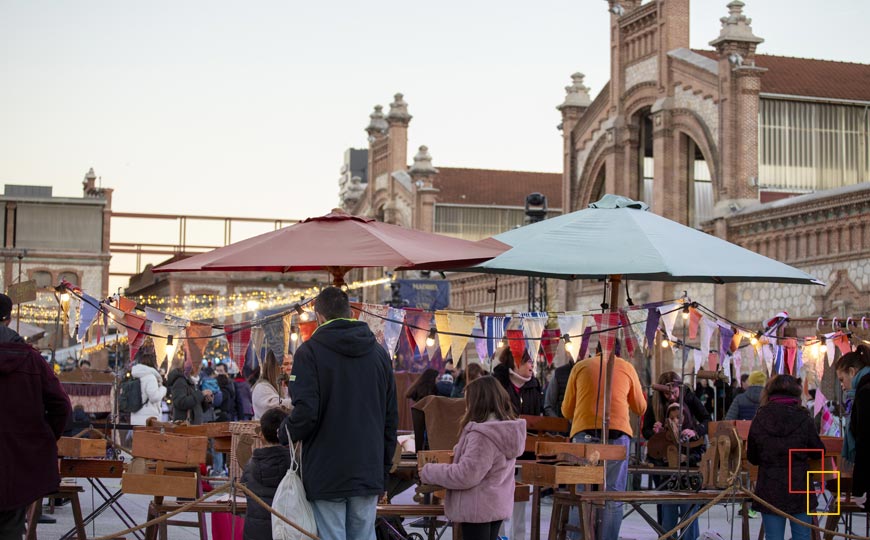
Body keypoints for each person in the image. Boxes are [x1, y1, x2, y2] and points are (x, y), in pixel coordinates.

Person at [279, 287, 398, 540]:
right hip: (368, 469)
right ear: (350, 314)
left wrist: (283, 432)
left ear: (319, 316)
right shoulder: (379, 355)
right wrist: (383, 470)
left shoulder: (308, 353)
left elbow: (306, 414)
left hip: (326, 471)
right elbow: (391, 419)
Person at [0, 293, 72, 538]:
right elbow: (61, 405)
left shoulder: (32, 359)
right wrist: (42, 440)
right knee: (10, 529)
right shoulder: (32, 360)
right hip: (18, 463)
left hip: (18, 459)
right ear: (8, 320)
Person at [420, 376, 526, 540]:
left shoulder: (483, 435)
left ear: (478, 402)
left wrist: (429, 471)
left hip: (477, 508)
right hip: (494, 505)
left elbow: (466, 475)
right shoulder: (505, 431)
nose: (465, 405)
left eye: (468, 400)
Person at [562, 349, 646, 540]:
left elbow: (567, 410)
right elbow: (640, 408)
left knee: (582, 493)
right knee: (613, 495)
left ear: (596, 351)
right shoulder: (627, 367)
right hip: (617, 437)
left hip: (584, 436)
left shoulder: (581, 366)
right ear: (618, 352)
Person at [747, 374, 826, 540]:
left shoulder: (760, 417)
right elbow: (819, 451)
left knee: (773, 537)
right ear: (796, 394)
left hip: (770, 487)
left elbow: (752, 457)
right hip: (799, 487)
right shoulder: (803, 417)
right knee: (802, 536)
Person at [642, 372, 710, 540]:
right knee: (665, 506)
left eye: (674, 392)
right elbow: (646, 431)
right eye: (667, 393)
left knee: (688, 508)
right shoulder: (654, 402)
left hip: (687, 459)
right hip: (662, 461)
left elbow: (707, 420)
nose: (671, 396)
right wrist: (656, 434)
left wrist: (695, 432)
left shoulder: (688, 397)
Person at [241, 407, 292, 540]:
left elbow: (244, 490)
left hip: (255, 534)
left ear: (261, 435)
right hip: (289, 532)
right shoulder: (295, 465)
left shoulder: (249, 467)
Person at [835, 345, 870, 508]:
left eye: (842, 379)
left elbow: (865, 439)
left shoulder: (865, 392)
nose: (842, 385)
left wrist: (860, 487)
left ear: (852, 372)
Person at [492, 348, 543, 416]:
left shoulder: (535, 385)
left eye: (533, 362)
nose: (532, 365)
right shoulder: (498, 383)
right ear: (516, 362)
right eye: (529, 361)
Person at [252, 351, 292, 420]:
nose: (290, 367)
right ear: (274, 367)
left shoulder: (290, 384)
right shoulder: (262, 387)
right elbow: (275, 407)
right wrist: (299, 402)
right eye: (285, 364)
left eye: (291, 363)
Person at [131, 352, 167, 426]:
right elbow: (154, 397)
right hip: (148, 419)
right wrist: (163, 389)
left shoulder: (136, 376)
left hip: (135, 417)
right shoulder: (150, 378)